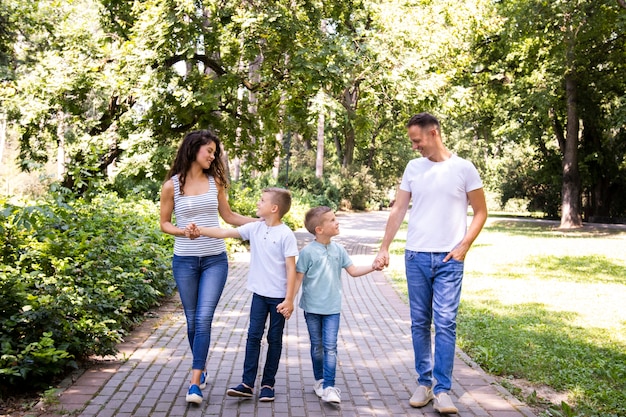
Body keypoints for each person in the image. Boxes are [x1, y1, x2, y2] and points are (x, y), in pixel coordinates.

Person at [374, 113, 488, 414]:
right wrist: (384, 247)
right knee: (420, 323)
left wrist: (464, 245)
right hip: (416, 256)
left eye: (417, 140)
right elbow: (399, 209)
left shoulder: (464, 168)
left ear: (433, 133)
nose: (414, 147)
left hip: (450, 259)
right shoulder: (413, 168)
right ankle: (424, 383)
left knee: (446, 323)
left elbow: (480, 212)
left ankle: (442, 390)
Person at [159, 129, 257, 405]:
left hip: (215, 259)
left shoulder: (216, 182)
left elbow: (228, 216)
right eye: (209, 151)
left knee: (203, 319)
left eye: (215, 152)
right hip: (185, 261)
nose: (213, 156)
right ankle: (201, 370)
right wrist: (182, 232)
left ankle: (194, 382)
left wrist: (262, 221)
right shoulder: (172, 186)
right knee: (192, 321)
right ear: (193, 149)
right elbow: (164, 223)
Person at [187, 187, 298, 402]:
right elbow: (224, 232)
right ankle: (247, 384)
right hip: (258, 295)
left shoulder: (286, 234)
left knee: (274, 340)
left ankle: (267, 384)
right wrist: (199, 229)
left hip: (278, 299)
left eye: (262, 200)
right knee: (253, 337)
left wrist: (289, 299)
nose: (258, 203)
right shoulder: (255, 228)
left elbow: (291, 268)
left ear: (274, 208)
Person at [292, 206, 381, 405]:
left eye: (336, 218)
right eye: (332, 220)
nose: (337, 222)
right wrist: (289, 300)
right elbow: (297, 279)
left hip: (332, 309)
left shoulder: (339, 249)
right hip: (312, 309)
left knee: (330, 347)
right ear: (319, 230)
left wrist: (373, 267)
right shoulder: (307, 252)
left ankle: (330, 387)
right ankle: (320, 381)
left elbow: (354, 270)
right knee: (317, 347)